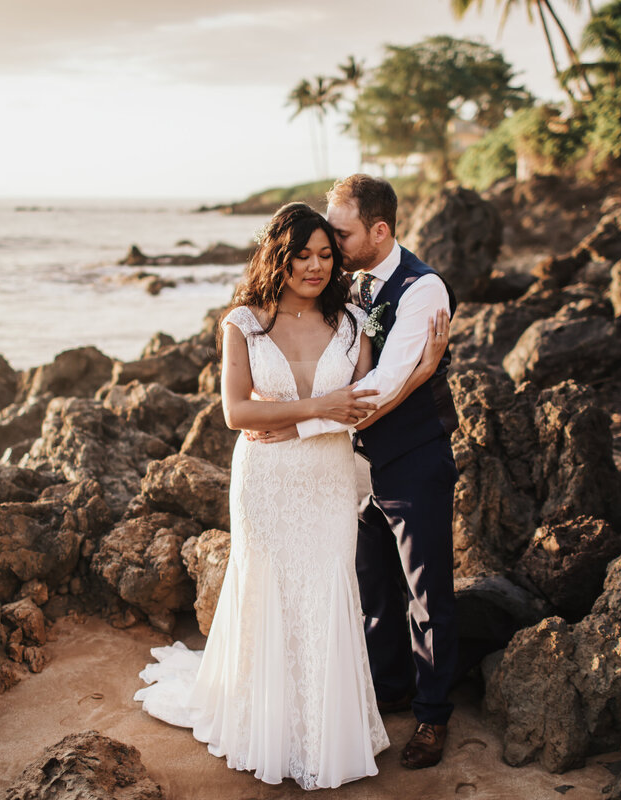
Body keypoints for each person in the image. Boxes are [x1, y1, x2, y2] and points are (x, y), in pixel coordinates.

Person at [133, 202, 449, 790]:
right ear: (277, 255)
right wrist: (313, 408)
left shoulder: (352, 321)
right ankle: (269, 727)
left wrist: (423, 371)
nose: (316, 266)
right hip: (268, 480)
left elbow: (363, 404)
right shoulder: (243, 323)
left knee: (328, 587)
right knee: (271, 590)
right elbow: (236, 412)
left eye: (327, 254)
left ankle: (327, 731)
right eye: (302, 255)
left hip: (328, 481)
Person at [292, 175, 459, 770]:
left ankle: (434, 715)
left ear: (380, 231)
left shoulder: (424, 290)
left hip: (414, 457)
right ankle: (390, 687)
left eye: (342, 233)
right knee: (374, 583)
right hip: (356, 464)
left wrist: (297, 426)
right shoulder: (349, 282)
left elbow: (383, 385)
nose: (332, 244)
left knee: (426, 591)